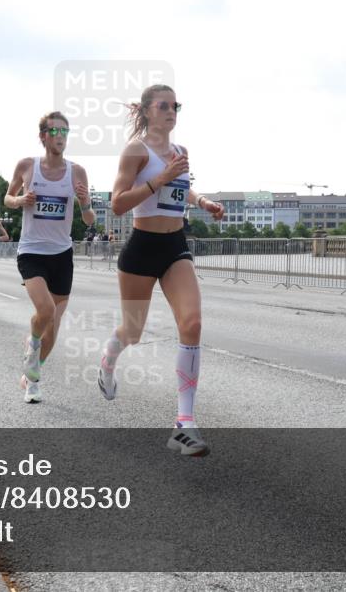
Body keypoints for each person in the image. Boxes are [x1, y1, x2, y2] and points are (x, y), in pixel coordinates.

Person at [97, 84, 224, 456]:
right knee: (132, 332)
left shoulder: (181, 152)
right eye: (164, 105)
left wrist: (204, 202)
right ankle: (108, 360)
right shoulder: (136, 151)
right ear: (148, 111)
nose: (172, 111)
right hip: (140, 249)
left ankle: (184, 424)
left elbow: (181, 193)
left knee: (192, 323)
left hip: (174, 247)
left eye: (176, 105)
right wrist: (160, 179)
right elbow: (118, 204)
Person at [5, 111, 95, 403]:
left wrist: (83, 202)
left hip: (61, 253)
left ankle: (32, 377)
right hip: (31, 250)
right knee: (44, 311)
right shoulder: (26, 166)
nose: (61, 137)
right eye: (55, 131)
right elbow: (8, 198)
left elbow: (90, 219)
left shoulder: (77, 172)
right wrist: (20, 200)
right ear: (43, 136)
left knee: (54, 324)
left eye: (65, 132)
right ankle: (32, 345)